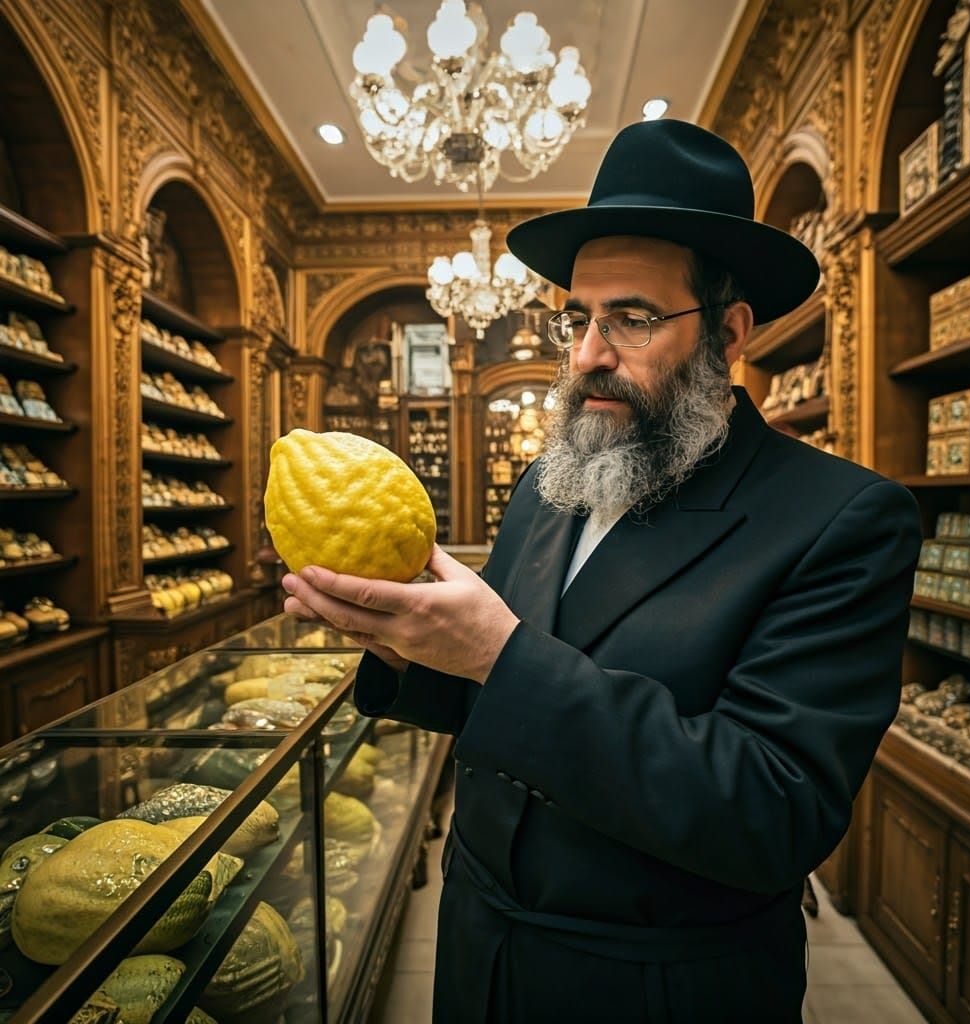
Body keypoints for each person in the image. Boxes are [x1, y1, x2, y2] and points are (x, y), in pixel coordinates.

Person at [282, 119, 922, 1023]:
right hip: (479, 952)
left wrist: (497, 656)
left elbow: (772, 810)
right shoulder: (552, 482)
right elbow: (482, 693)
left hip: (656, 987)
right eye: (577, 317)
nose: (586, 354)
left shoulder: (840, 519)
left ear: (729, 332)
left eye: (632, 317)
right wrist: (396, 639)